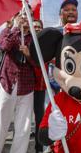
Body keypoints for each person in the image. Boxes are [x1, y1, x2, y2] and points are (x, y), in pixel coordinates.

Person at [0, 12, 35, 153]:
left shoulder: (35, 38)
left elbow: (38, 63)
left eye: (28, 14)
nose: (24, 17)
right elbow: (4, 46)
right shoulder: (7, 31)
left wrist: (28, 55)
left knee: (23, 127)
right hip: (8, 83)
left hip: (27, 86)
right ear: (14, 17)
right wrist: (15, 28)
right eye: (21, 14)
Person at [32, 19, 46, 153]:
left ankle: (39, 148)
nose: (36, 28)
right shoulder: (26, 42)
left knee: (39, 119)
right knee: (22, 120)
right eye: (34, 26)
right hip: (27, 88)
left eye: (39, 27)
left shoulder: (46, 45)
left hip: (41, 88)